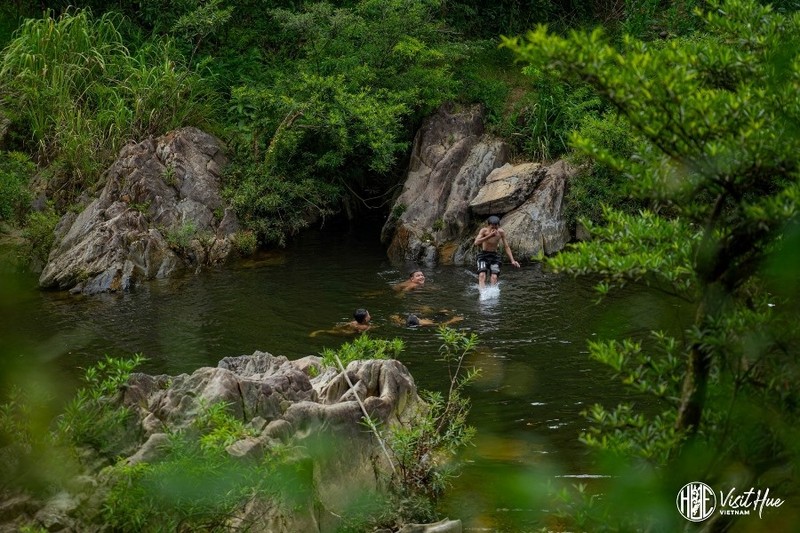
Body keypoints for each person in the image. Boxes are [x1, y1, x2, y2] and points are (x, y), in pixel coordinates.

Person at [473, 215, 520, 288]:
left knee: (494, 277)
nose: (494, 229)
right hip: (483, 255)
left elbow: (506, 246)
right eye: (492, 227)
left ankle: (493, 293)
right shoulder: (484, 231)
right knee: (482, 275)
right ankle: (482, 294)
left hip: (494, 256)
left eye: (496, 227)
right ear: (488, 225)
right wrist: (490, 236)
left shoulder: (501, 232)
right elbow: (476, 242)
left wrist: (512, 260)